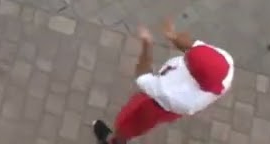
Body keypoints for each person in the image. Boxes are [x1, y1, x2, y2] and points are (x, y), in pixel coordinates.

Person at [92, 18, 233, 144]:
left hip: (156, 106)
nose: (185, 55)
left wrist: (147, 44)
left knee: (129, 124)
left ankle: (115, 141)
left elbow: (142, 77)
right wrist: (172, 36)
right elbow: (193, 46)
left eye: (188, 60)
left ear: (195, 76)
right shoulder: (224, 61)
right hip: (164, 94)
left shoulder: (174, 95)